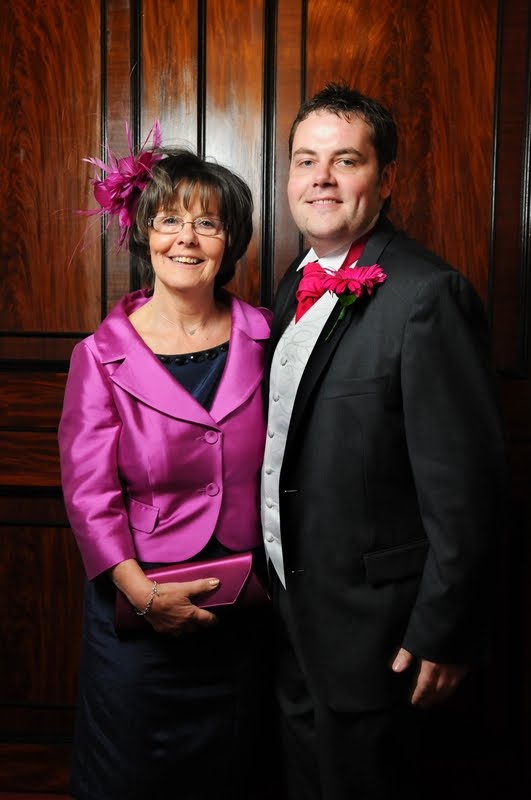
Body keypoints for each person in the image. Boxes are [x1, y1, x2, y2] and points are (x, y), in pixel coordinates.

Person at [261, 83, 508, 799]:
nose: (322, 178)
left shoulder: (427, 294)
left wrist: (446, 631)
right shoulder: (290, 286)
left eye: (346, 160)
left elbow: (468, 490)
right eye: (306, 161)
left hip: (380, 636)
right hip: (289, 617)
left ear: (386, 178)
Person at [58, 133, 276, 800]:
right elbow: (89, 495)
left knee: (238, 776)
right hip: (137, 612)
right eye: (169, 220)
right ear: (143, 234)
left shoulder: (270, 337)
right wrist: (145, 597)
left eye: (207, 223)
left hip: (244, 613)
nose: (187, 238)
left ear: (229, 241)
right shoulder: (99, 356)